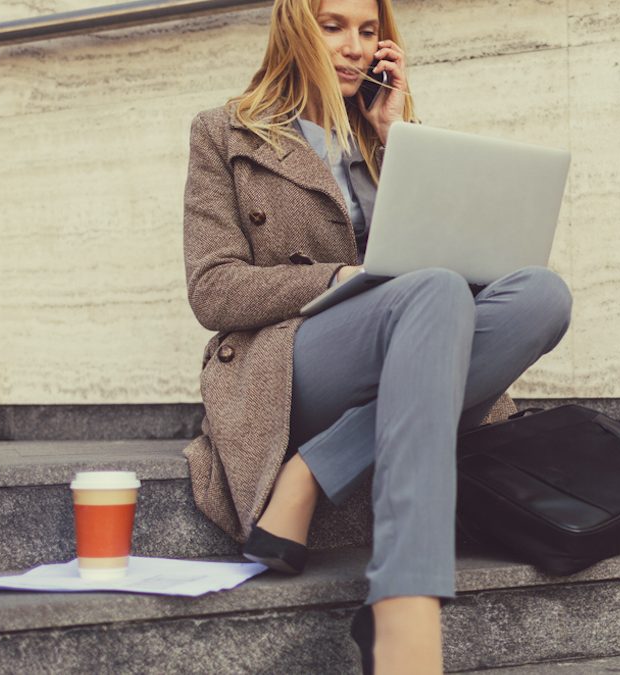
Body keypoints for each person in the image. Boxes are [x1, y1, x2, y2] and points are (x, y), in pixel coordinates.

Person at [179, 0, 572, 672]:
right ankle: (403, 601)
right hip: (294, 359)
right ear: (295, 28)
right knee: (433, 288)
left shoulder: (390, 137)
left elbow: (453, 258)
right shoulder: (226, 132)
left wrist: (393, 135)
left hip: (415, 335)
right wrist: (340, 277)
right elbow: (213, 289)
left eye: (368, 31)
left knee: (542, 294)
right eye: (333, 26)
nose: (355, 47)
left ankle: (315, 468)